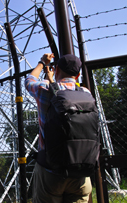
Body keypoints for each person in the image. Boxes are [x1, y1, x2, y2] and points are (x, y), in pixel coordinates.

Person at [25, 53, 92, 203]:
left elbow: (29, 81)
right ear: (79, 74)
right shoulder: (86, 93)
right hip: (80, 170)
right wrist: (52, 79)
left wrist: (42, 63)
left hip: (51, 170)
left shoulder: (45, 89)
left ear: (56, 70)